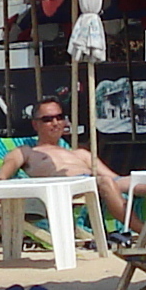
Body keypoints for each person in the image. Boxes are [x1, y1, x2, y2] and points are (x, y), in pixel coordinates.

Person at [19, 94, 131, 225]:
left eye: (59, 117)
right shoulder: (28, 152)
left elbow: (115, 179)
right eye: (47, 119)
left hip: (94, 182)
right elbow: (6, 171)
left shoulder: (80, 154)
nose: (55, 123)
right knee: (106, 182)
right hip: (67, 187)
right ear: (35, 124)